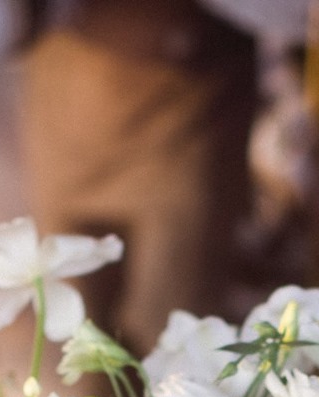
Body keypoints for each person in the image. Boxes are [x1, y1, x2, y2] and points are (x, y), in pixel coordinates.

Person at [23, 0, 302, 352]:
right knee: (76, 344)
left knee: (177, 340)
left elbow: (306, 14)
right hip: (70, 130)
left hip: (187, 132)